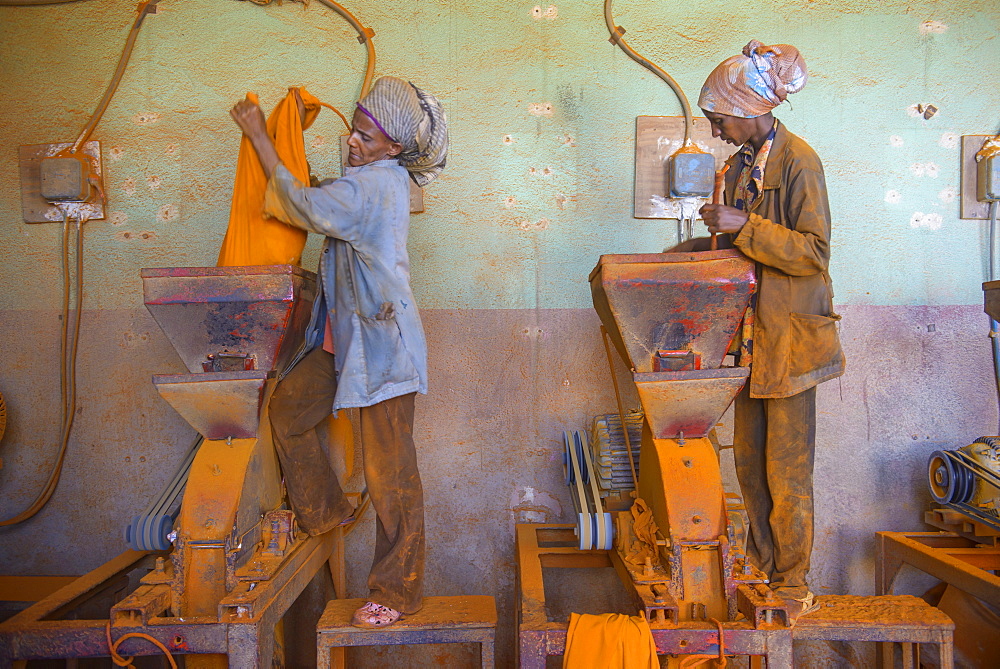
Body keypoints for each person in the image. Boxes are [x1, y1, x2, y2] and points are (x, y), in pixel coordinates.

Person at [229, 76, 448, 628]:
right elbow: (323, 199)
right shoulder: (367, 181)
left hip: (380, 347)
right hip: (342, 340)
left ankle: (398, 593)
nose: (353, 140)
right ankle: (325, 512)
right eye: (354, 127)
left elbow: (298, 205)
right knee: (288, 413)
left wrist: (260, 136)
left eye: (367, 137)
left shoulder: (373, 187)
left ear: (393, 148)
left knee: (390, 475)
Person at [694, 41, 846, 620]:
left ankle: (792, 584)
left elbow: (813, 253)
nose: (717, 132)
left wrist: (743, 223)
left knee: (787, 472)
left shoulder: (798, 161)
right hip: (748, 343)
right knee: (749, 466)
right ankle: (759, 570)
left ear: (749, 107)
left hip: (790, 343)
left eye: (719, 119)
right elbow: (738, 251)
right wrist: (691, 252)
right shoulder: (736, 169)